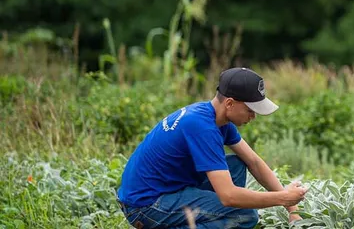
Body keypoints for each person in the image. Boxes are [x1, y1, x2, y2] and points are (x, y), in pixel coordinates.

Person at [116, 67, 308, 228]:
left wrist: (292, 209)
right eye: (250, 110)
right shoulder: (202, 128)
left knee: (237, 165)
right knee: (245, 215)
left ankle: (209, 217)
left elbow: (254, 162)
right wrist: (283, 197)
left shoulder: (215, 118)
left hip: (166, 190)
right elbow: (228, 197)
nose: (254, 117)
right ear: (230, 103)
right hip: (145, 206)